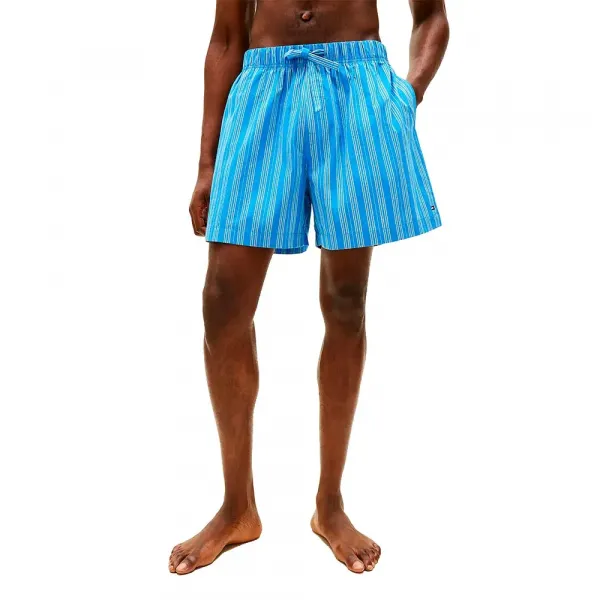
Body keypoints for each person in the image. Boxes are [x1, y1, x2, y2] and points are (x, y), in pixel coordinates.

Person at [170, 0, 449, 575]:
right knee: (222, 304)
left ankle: (330, 504)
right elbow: (226, 38)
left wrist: (407, 94)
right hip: (262, 87)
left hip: (357, 87)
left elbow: (432, 16)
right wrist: (206, 164)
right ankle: (237, 507)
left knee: (346, 303)